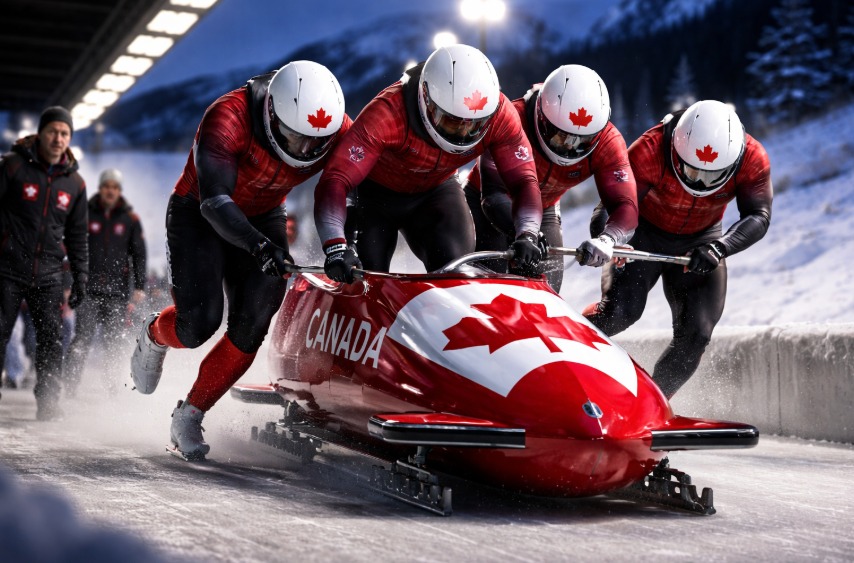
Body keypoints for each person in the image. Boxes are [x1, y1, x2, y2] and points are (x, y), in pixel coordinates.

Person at [130, 61, 352, 460]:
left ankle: (190, 413)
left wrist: (341, 246)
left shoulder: (337, 130)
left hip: (265, 212)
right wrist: (260, 247)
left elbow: (355, 181)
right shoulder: (227, 116)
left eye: (312, 143)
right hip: (200, 211)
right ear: (270, 114)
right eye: (293, 137)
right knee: (198, 324)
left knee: (254, 319)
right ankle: (154, 334)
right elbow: (215, 201)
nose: (302, 151)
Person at [584, 99, 772, 398]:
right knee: (620, 313)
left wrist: (719, 248)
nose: (698, 181)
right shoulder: (650, 148)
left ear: (734, 161)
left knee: (696, 334)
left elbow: (758, 215)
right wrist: (611, 239)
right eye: (690, 169)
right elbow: (613, 204)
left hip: (702, 240)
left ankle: (652, 406)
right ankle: (559, 364)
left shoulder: (753, 157)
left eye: (711, 175)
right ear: (675, 150)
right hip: (641, 232)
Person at [314, 44, 543, 283]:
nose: (464, 133)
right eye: (453, 122)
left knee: (456, 276)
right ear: (426, 99)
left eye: (475, 124)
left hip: (437, 192)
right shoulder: (386, 113)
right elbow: (336, 179)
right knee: (366, 279)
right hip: (375, 200)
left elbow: (524, 181)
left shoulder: (501, 115)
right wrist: (336, 246)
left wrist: (527, 233)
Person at [463, 64, 638, 292]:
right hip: (487, 200)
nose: (568, 148)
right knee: (490, 280)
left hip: (544, 207)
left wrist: (608, 239)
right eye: (560, 136)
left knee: (546, 287)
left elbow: (625, 203)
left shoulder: (609, 142)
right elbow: (494, 194)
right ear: (541, 115)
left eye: (581, 141)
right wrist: (524, 233)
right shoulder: (512, 119)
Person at [0, 106, 88, 420]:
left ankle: (49, 404)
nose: (58, 138)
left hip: (49, 273)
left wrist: (80, 278)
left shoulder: (75, 184)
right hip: (8, 268)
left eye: (65, 133)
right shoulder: (12, 167)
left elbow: (78, 236)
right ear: (40, 133)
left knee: (51, 340)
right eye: (53, 131)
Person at [64, 168, 146, 396]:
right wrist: (68, 283)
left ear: (119, 191)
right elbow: (72, 249)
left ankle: (113, 391)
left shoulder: (130, 219)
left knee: (114, 346)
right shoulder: (85, 214)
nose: (111, 191)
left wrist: (139, 286)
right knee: (81, 341)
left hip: (117, 294)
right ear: (100, 189)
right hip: (88, 291)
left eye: (115, 187)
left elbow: (139, 254)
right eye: (107, 186)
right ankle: (70, 388)